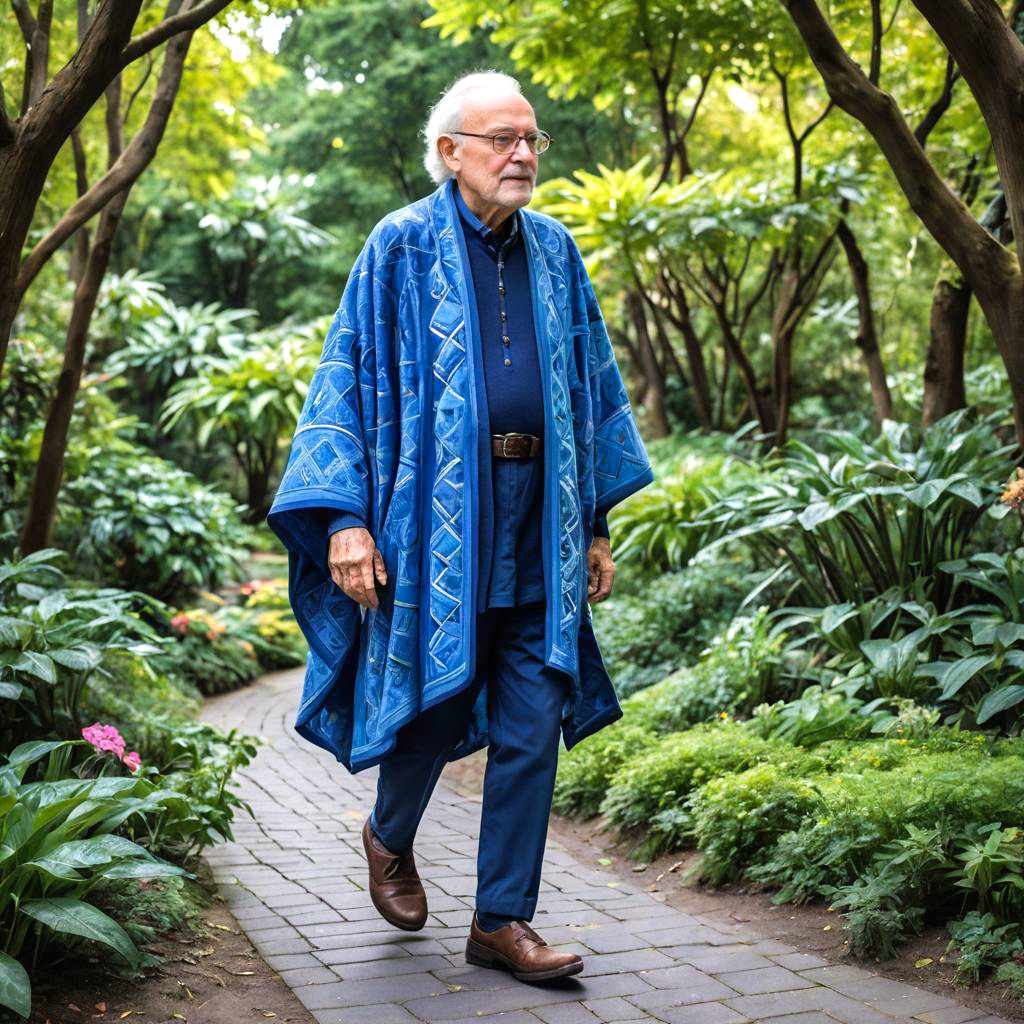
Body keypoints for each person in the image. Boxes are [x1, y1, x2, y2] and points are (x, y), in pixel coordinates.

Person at [266, 69, 654, 984]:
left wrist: (593, 518)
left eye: (532, 140)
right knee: (433, 712)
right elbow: (345, 381)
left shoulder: (556, 251)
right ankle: (387, 835)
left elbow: (588, 386)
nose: (522, 155)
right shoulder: (397, 246)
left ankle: (502, 921)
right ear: (451, 152)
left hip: (541, 522)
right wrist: (345, 520)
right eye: (501, 140)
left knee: (533, 716)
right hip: (433, 524)